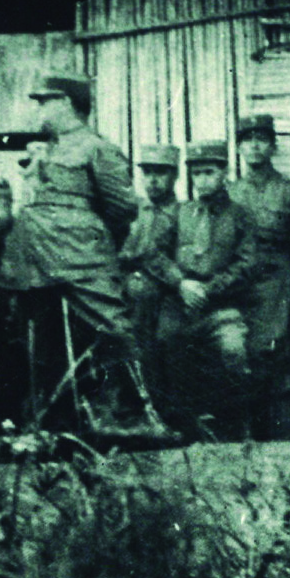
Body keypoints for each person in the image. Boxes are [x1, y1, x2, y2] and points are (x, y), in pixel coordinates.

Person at [0, 71, 174, 442]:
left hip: (80, 253)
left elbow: (121, 207)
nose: (40, 108)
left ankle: (129, 416)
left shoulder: (97, 147)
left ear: (67, 103)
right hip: (32, 257)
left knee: (111, 325)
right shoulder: (45, 150)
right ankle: (48, 423)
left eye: (46, 100)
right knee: (39, 337)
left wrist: (88, 238)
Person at [141, 140, 260, 439]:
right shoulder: (179, 213)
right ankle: (182, 429)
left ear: (224, 172)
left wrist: (209, 290)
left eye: (209, 172)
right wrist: (181, 283)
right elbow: (153, 254)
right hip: (181, 305)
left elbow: (247, 265)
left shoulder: (240, 215)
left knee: (234, 352)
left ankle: (235, 428)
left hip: (221, 307)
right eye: (196, 174)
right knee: (165, 347)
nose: (202, 180)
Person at [227, 114, 290, 439]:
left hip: (276, 276)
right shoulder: (229, 192)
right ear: (239, 148)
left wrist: (287, 274)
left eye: (261, 139)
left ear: (273, 146)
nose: (254, 146)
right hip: (237, 278)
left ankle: (263, 429)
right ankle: (241, 428)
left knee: (268, 348)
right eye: (247, 140)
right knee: (235, 346)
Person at [118, 143, 182, 410]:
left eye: (160, 173)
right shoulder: (132, 212)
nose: (152, 180)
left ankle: (160, 410)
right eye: (147, 173)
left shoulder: (184, 214)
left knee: (162, 345)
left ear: (174, 176)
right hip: (128, 293)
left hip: (168, 296)